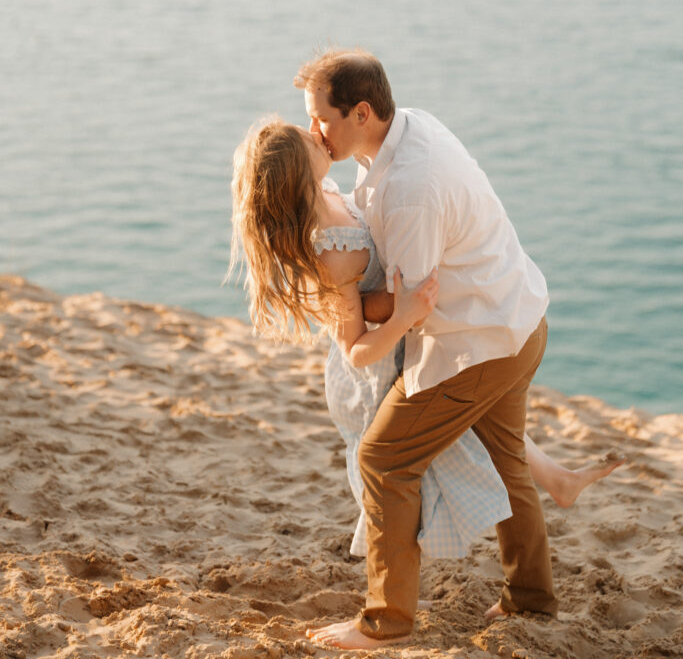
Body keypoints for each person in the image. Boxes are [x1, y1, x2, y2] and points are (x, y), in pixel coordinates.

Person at [229, 110, 623, 647]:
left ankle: (529, 592)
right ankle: (389, 620)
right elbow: (355, 350)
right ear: (302, 172)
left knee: (492, 449)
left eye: (317, 123)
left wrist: (392, 306)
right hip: (382, 363)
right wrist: (401, 315)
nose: (319, 131)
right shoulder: (330, 246)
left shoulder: (342, 191)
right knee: (385, 460)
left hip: (445, 343)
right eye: (309, 135)